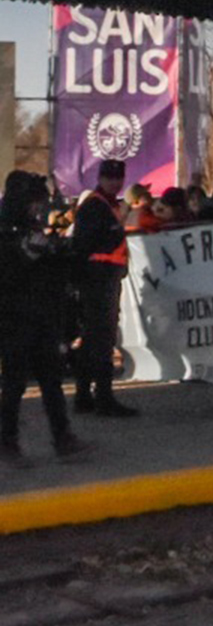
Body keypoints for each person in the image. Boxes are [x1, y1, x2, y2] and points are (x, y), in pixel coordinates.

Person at [0, 172, 86, 464]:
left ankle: (63, 436)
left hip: (42, 316)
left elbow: (56, 273)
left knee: (52, 380)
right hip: (15, 317)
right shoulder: (5, 230)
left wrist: (59, 253)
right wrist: (27, 254)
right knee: (14, 383)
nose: (39, 209)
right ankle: (7, 440)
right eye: (34, 203)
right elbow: (8, 275)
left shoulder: (35, 230)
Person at [67, 159, 136, 417]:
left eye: (118, 178)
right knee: (102, 340)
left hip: (106, 279)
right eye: (111, 178)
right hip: (97, 280)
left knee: (93, 339)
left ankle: (84, 395)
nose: (116, 183)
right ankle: (103, 398)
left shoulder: (109, 205)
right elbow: (87, 245)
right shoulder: (95, 206)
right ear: (102, 178)